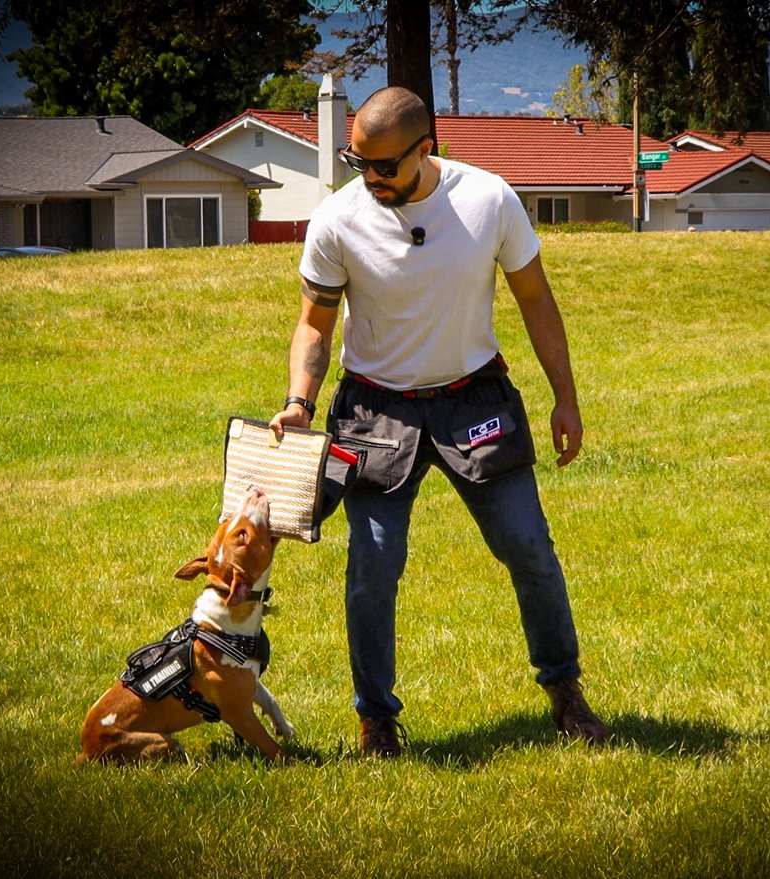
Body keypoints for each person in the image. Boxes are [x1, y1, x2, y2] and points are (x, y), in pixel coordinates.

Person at [269, 86, 606, 757]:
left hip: (473, 401)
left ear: (426, 148)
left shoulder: (488, 200)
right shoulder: (337, 219)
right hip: (375, 408)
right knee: (372, 566)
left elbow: (536, 300)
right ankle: (376, 720)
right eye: (357, 162)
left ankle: (565, 690)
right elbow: (314, 323)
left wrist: (565, 397)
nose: (370, 178)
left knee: (528, 547)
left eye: (384, 165)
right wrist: (300, 402)